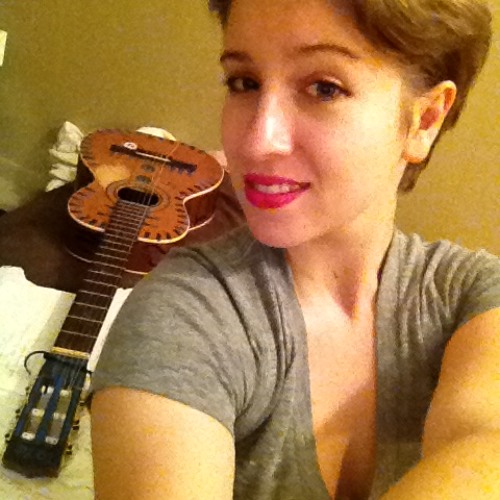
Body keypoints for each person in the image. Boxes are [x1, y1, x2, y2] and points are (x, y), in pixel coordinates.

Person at [90, 0, 500, 498]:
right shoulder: (182, 314)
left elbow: (487, 443)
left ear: (424, 121)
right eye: (244, 82)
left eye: (324, 88)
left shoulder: (475, 295)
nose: (257, 142)